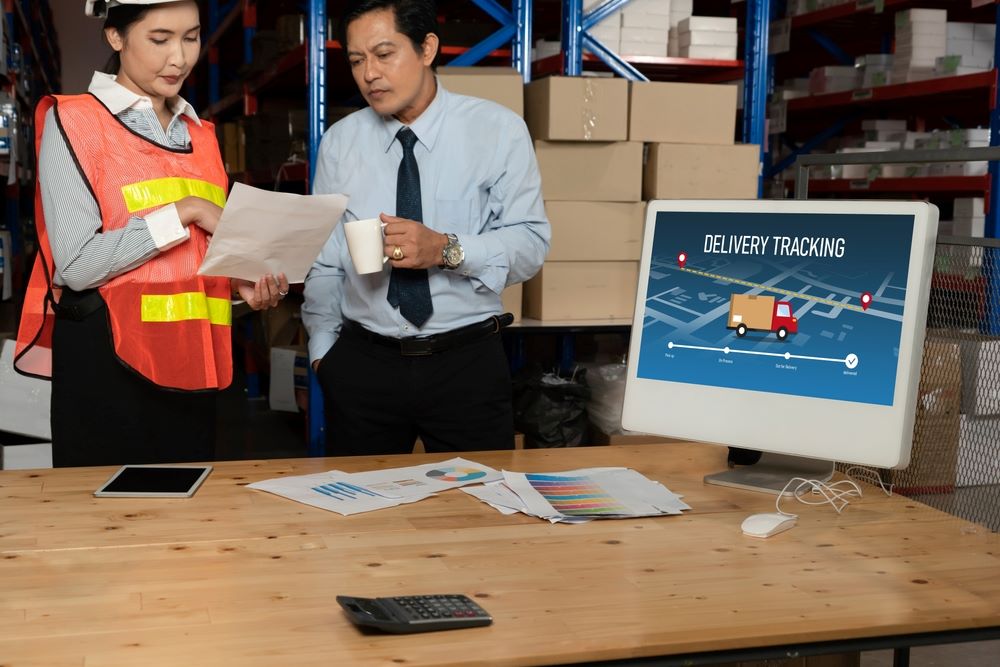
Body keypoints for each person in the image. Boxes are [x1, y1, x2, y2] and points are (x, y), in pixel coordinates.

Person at [13, 0, 289, 467]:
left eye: (192, 37)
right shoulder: (76, 120)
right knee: (108, 522)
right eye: (159, 39)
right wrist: (183, 211)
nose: (179, 58)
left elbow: (196, 262)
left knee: (185, 522)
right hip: (109, 362)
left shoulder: (201, 134)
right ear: (115, 38)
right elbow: (77, 266)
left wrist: (244, 290)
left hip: (192, 360)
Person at [302, 0, 550, 456]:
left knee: (477, 513)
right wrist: (324, 353)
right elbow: (325, 261)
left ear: (427, 48)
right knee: (360, 515)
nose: (369, 74)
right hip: (363, 365)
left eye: (384, 53)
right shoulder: (340, 142)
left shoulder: (497, 131)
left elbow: (531, 243)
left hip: (466, 364)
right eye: (356, 61)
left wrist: (445, 250)